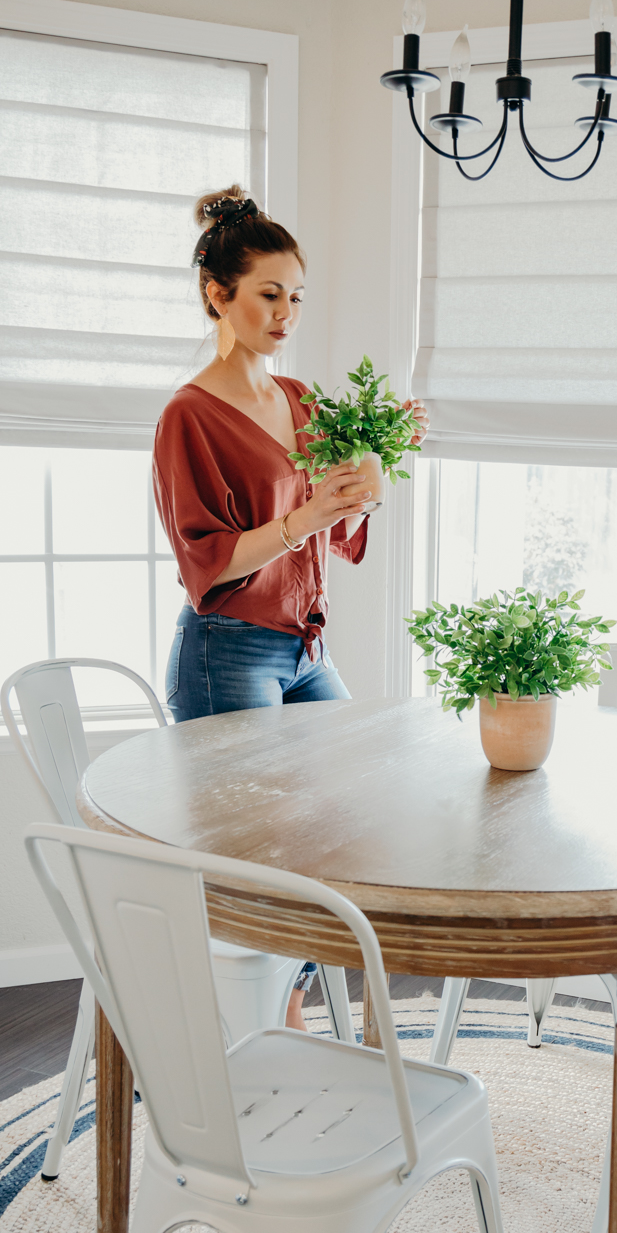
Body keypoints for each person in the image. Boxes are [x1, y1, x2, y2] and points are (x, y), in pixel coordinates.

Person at [153, 184, 427, 1030]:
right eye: (269, 293)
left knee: (351, 815)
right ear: (218, 295)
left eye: (296, 295)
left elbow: (330, 540)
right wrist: (308, 512)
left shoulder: (302, 400)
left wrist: (363, 488)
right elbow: (210, 564)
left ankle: (293, 998)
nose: (286, 311)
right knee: (260, 855)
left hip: (305, 646)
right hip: (229, 647)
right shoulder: (188, 417)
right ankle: (258, 1018)